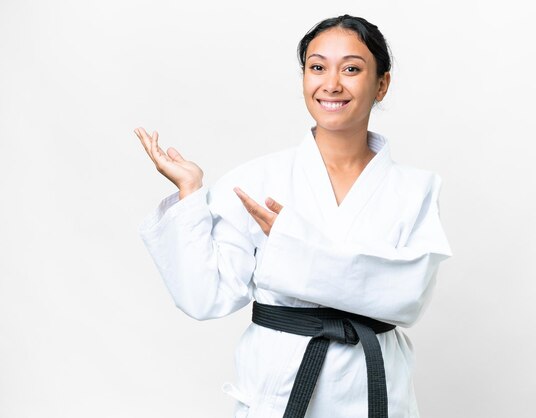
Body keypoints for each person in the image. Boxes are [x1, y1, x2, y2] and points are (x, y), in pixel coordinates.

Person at [135, 14, 452, 418]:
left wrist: (290, 245)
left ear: (382, 84)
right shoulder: (258, 178)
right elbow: (204, 296)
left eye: (351, 69)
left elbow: (406, 296)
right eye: (317, 67)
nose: (332, 84)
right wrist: (190, 192)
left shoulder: (416, 189)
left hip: (373, 391)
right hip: (280, 390)